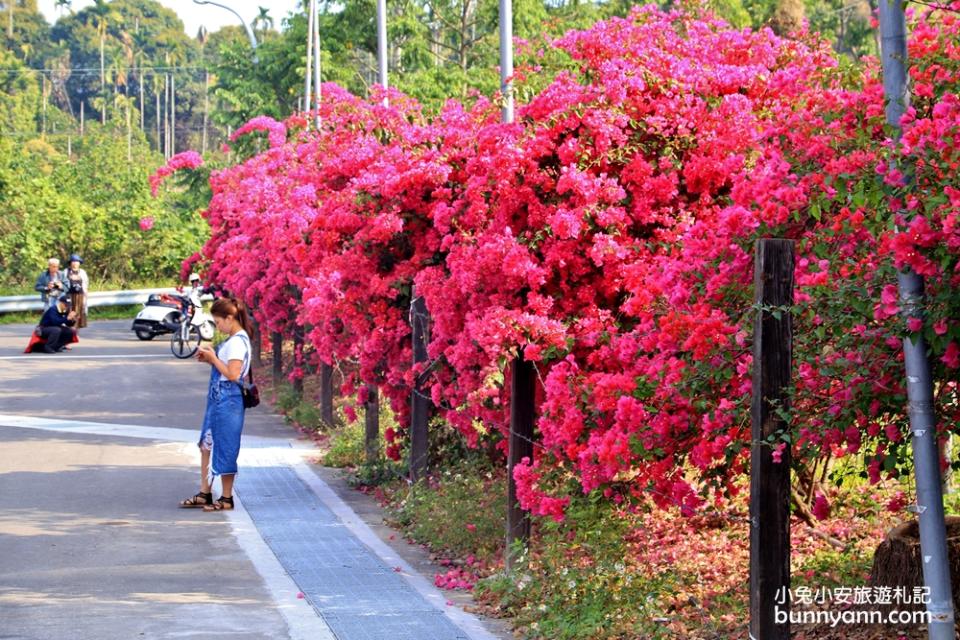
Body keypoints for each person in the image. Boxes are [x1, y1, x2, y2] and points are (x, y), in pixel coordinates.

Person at [180, 297, 252, 512]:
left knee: (226, 446)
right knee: (206, 444)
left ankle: (227, 497)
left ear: (230, 318)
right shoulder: (232, 340)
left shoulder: (238, 342)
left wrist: (213, 359)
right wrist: (209, 358)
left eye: (219, 322)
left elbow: (233, 374)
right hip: (218, 397)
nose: (217, 326)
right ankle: (205, 492)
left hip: (228, 398)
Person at [64, 254, 89, 328]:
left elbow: (85, 284)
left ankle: (75, 333)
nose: (75, 263)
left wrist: (86, 296)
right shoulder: (66, 272)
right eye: (73, 261)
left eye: (77, 261)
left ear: (79, 263)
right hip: (69, 295)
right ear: (70, 263)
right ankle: (69, 332)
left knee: (79, 314)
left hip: (80, 296)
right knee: (69, 313)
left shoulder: (82, 272)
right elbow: (63, 283)